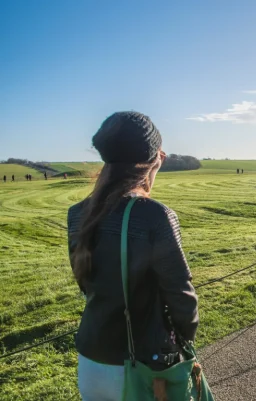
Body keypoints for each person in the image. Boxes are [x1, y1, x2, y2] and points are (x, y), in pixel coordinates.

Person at [67, 111, 199, 401]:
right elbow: (181, 296)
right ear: (155, 158)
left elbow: (86, 284)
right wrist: (184, 340)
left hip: (91, 361)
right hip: (141, 367)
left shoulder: (78, 213)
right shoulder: (156, 215)